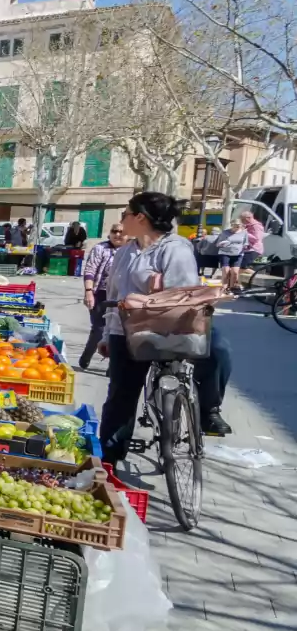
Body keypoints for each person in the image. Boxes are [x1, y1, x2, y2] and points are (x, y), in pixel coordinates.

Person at [98, 192, 234, 463]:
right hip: (127, 329)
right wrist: (106, 335)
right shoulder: (124, 253)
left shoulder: (176, 248)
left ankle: (209, 410)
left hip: (173, 326)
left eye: (125, 214)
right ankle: (109, 459)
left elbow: (184, 295)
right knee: (120, 395)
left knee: (218, 347)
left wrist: (151, 298)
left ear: (140, 218)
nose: (121, 220)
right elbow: (113, 295)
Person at [77, 221, 126, 370]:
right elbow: (90, 270)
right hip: (101, 294)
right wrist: (89, 292)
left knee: (118, 330)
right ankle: (86, 356)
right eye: (114, 231)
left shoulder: (131, 250)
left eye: (121, 232)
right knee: (99, 328)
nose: (117, 234)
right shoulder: (100, 249)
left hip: (123, 295)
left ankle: (113, 367)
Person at [208, 218, 249, 292]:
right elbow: (217, 243)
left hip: (238, 253)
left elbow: (246, 242)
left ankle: (232, 288)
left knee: (235, 272)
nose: (237, 228)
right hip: (225, 253)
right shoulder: (225, 232)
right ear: (231, 225)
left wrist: (245, 246)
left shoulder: (244, 233)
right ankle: (224, 287)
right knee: (226, 271)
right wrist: (221, 244)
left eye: (238, 226)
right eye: (235, 226)